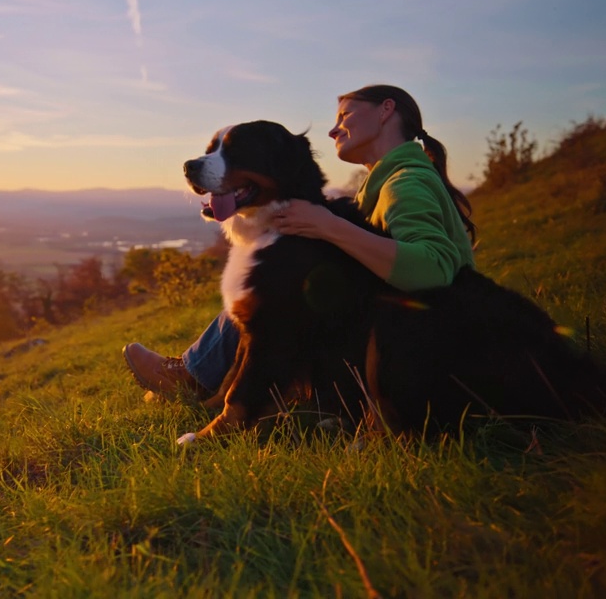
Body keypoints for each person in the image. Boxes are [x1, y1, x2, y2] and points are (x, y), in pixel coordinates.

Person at [123, 84, 477, 398]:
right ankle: (215, 376)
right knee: (276, 283)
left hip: (429, 350)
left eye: (345, 114)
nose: (333, 128)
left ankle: (196, 377)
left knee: (275, 288)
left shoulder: (405, 182)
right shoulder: (383, 182)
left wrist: (328, 225)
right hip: (399, 339)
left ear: (386, 110)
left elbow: (432, 271)